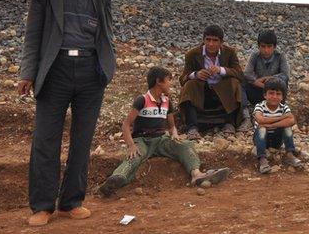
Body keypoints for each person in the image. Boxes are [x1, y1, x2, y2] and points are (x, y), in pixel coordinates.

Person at [18, 0, 116, 226]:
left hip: (90, 73)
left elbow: (106, 36)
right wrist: (27, 73)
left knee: (82, 141)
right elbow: (32, 37)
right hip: (55, 71)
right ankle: (42, 205)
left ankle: (71, 202)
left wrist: (107, 69)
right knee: (46, 141)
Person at [99, 67, 230, 197]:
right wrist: (131, 145)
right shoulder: (142, 100)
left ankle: (196, 175)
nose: (170, 84)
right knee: (134, 157)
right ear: (158, 81)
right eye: (168, 80)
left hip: (161, 140)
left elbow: (171, 126)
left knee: (185, 146)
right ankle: (116, 179)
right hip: (142, 140)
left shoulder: (167, 102)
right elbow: (126, 125)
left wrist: (174, 134)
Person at [179, 25, 251, 139]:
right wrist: (196, 74)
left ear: (221, 42)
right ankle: (192, 127)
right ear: (203, 40)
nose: (211, 44)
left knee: (234, 82)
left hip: (222, 94)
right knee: (189, 85)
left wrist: (221, 70)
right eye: (208, 40)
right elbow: (182, 79)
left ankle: (229, 123)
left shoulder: (229, 53)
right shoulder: (192, 54)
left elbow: (240, 75)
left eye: (215, 40)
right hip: (202, 92)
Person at [253, 78, 302, 174]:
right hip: (261, 139)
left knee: (287, 127)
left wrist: (270, 125)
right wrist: (282, 118)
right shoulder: (260, 106)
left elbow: (291, 121)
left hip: (277, 140)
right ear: (265, 95)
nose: (274, 96)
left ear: (282, 97)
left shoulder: (284, 107)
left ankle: (290, 154)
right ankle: (262, 159)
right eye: (271, 93)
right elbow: (260, 120)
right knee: (262, 128)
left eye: (278, 94)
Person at [242, 30, 290, 115]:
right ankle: (244, 111)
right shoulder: (255, 55)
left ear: (274, 47)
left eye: (269, 46)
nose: (266, 50)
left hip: (274, 90)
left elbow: (285, 74)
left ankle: (279, 106)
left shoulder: (280, 56)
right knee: (242, 82)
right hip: (259, 91)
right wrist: (259, 83)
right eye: (263, 46)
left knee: (283, 81)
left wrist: (269, 79)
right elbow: (247, 73)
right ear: (259, 46)